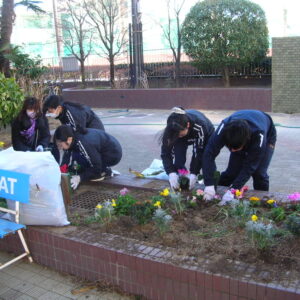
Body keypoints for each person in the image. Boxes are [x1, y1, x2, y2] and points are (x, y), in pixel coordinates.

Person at [202, 110, 277, 203]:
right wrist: (209, 184)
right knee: (232, 172)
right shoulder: (224, 128)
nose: (232, 151)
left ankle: (263, 200)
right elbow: (208, 153)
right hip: (239, 134)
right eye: (229, 147)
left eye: (235, 148)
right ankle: (216, 193)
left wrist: (234, 190)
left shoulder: (259, 135)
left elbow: (250, 167)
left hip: (268, 134)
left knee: (259, 173)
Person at [160, 107, 215, 190]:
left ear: (188, 125)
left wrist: (194, 173)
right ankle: (184, 177)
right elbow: (166, 153)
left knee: (206, 159)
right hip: (183, 132)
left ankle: (211, 183)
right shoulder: (172, 129)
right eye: (176, 135)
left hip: (206, 134)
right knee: (179, 161)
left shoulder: (200, 126)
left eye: (180, 135)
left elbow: (198, 152)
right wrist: (171, 172)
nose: (178, 136)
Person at [52, 125, 122, 190]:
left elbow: (96, 167)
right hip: (101, 148)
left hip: (113, 154)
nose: (60, 147)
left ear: (69, 140)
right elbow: (68, 155)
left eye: (60, 144)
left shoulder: (83, 144)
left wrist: (80, 177)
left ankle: (105, 171)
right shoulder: (72, 136)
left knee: (93, 171)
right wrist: (62, 171)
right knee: (78, 159)